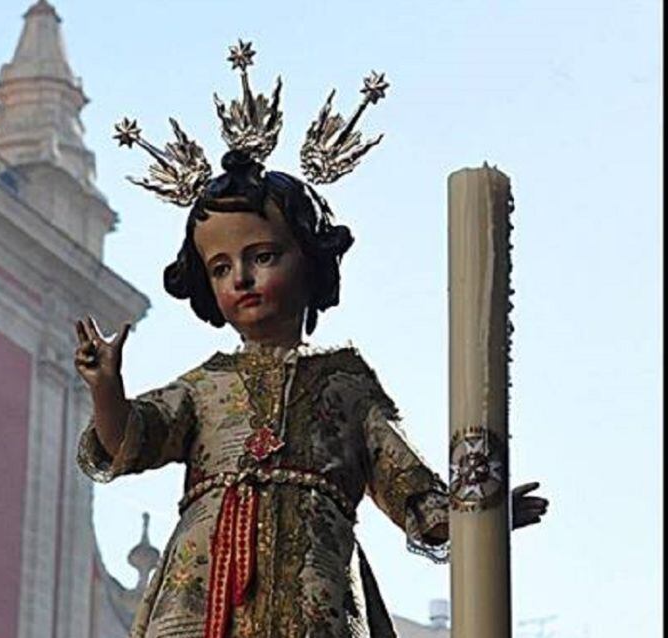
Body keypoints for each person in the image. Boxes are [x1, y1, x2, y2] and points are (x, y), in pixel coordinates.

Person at [74, 42, 548, 638]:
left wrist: (478, 518)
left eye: (262, 256)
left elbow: (407, 485)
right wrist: (106, 390)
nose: (241, 278)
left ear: (310, 262)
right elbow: (129, 442)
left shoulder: (345, 383)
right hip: (204, 597)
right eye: (220, 267)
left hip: (314, 589)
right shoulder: (205, 387)